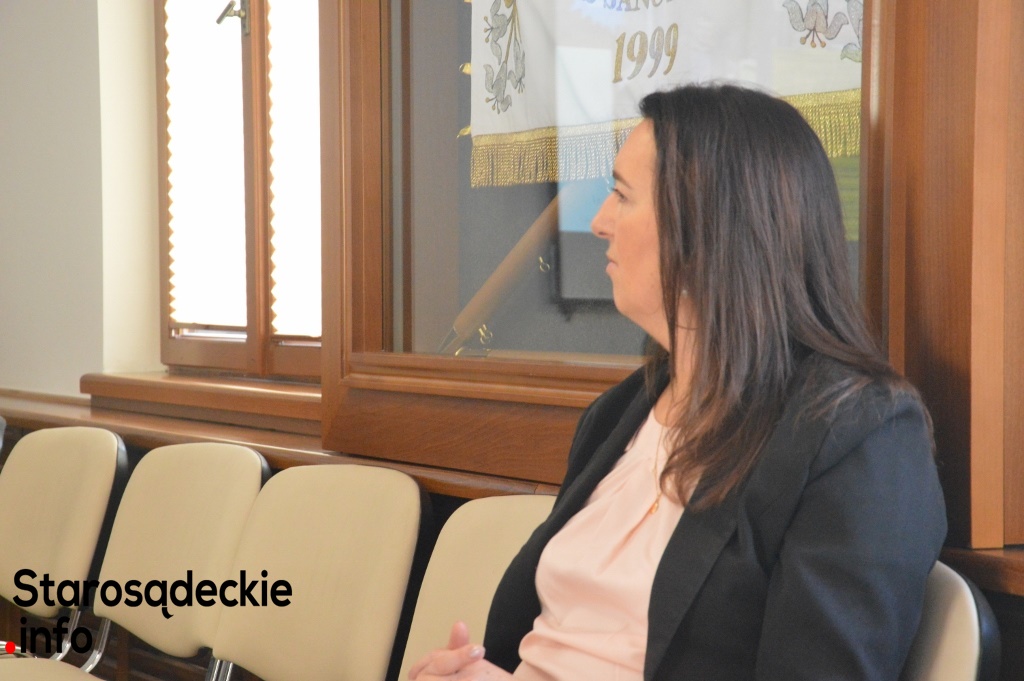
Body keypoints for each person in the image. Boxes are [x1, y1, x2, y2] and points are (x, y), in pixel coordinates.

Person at [409, 83, 947, 681]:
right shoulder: (618, 415)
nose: (599, 222)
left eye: (621, 195)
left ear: (708, 227)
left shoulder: (862, 436)